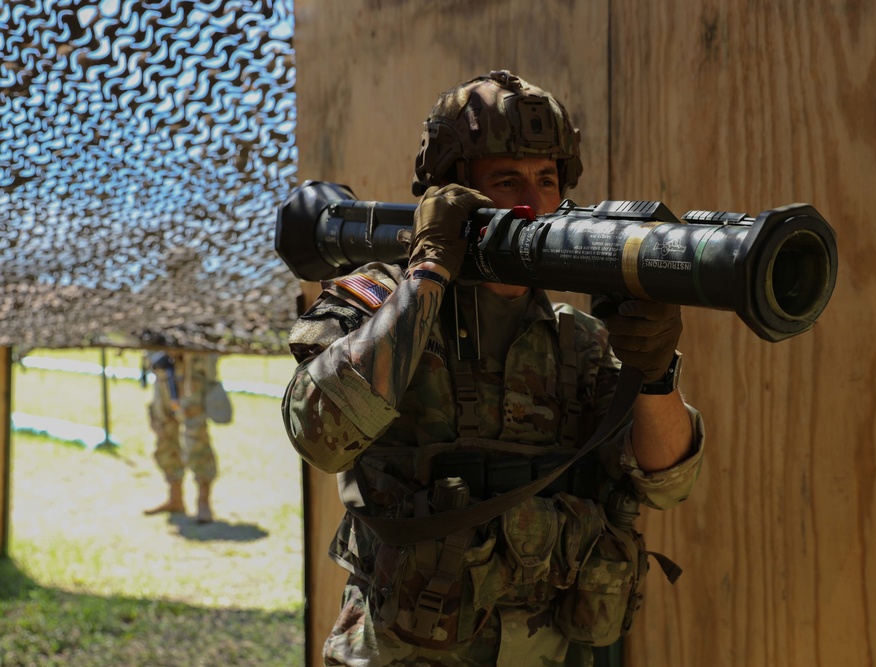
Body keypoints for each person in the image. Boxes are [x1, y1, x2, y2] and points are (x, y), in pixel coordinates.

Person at [282, 70, 706, 666]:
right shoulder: (381, 301)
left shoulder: (580, 341)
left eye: (546, 180)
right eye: (505, 180)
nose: (530, 203)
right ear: (454, 194)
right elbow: (319, 437)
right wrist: (429, 270)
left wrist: (656, 372)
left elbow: (669, 485)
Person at [144, 350, 222, 524]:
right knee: (164, 435)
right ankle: (175, 498)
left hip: (191, 375)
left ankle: (203, 503)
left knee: (196, 440)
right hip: (163, 375)